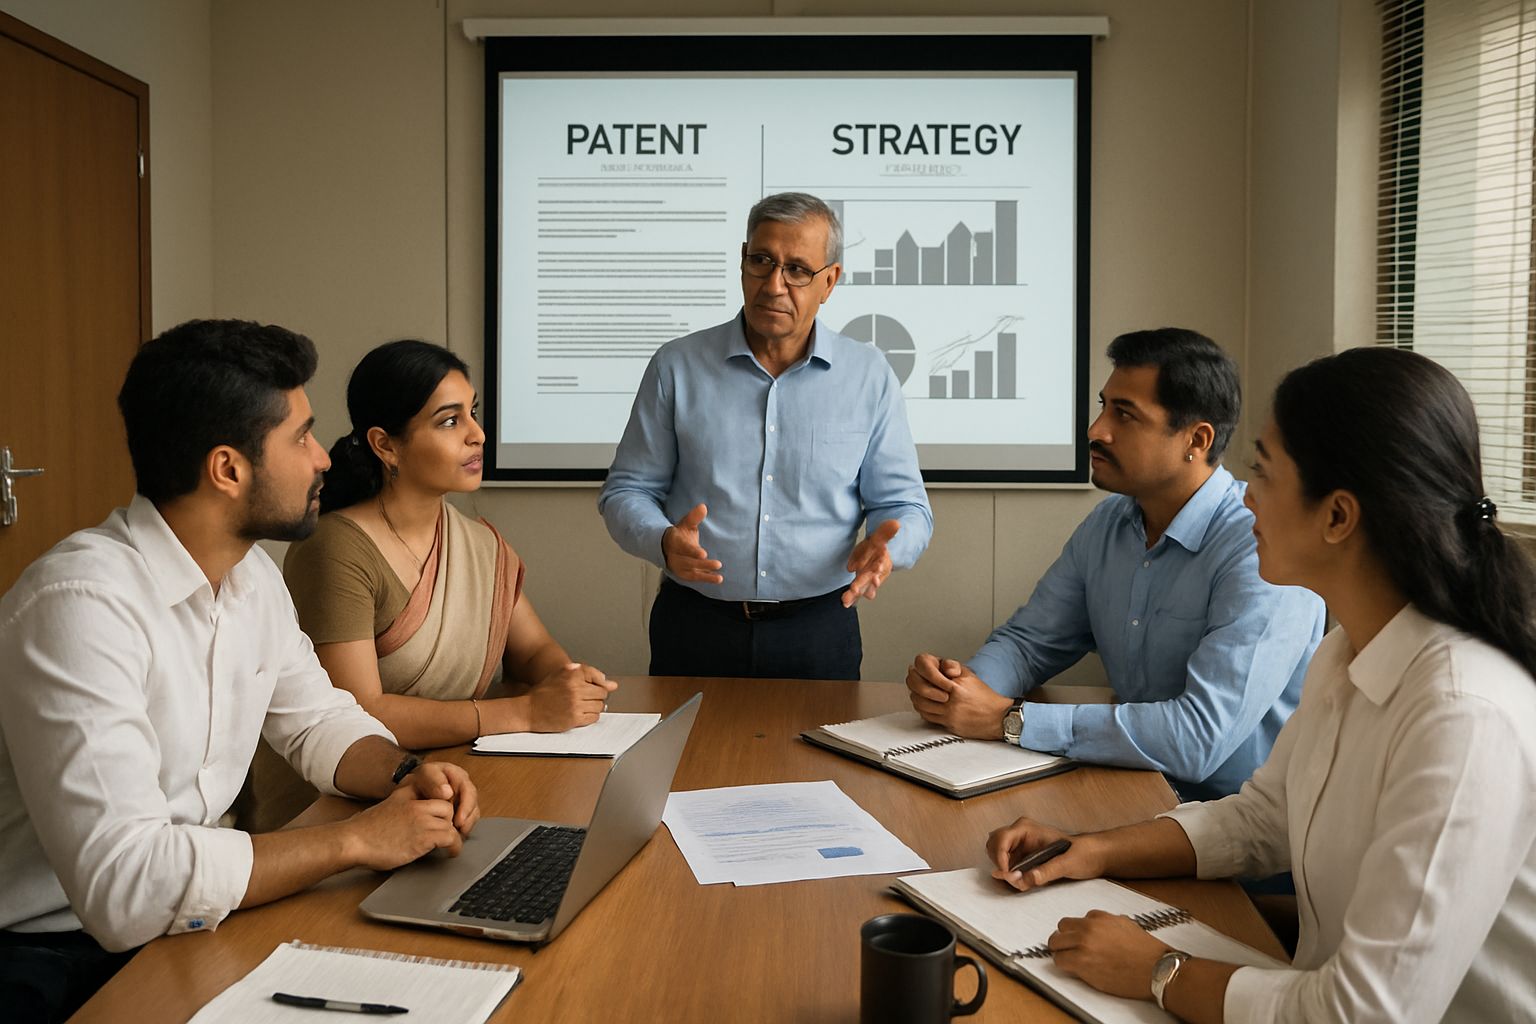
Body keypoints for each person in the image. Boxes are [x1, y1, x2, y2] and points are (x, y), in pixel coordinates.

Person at [985, 346, 1536, 1023]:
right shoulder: (1346, 653)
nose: (1244, 496)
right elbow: (1261, 820)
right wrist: (1091, 848)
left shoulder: (1462, 714)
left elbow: (1364, 1013)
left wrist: (1158, 970)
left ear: (1337, 517)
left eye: (1262, 473)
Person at [0, 320, 481, 1024]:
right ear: (228, 469)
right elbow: (124, 887)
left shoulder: (250, 572)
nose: (324, 458)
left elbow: (318, 717)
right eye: (302, 437)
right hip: (52, 960)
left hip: (194, 921)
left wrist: (404, 774)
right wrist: (356, 839)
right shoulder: (78, 606)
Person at [906, 329, 1324, 801]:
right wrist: (960, 690)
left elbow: (1197, 739)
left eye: (1124, 415)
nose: (1096, 430)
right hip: (1128, 792)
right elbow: (1029, 643)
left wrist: (1008, 720)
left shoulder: (1259, 547)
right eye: (1104, 406)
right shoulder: (1109, 523)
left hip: (1235, 834)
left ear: (1196, 439)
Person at [242, 340, 615, 829]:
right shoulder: (336, 548)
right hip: (332, 810)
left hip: (446, 784)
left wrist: (566, 681)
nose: (477, 435)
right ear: (386, 445)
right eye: (449, 421)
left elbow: (532, 649)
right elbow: (359, 712)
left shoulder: (479, 542)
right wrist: (524, 714)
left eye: (473, 414)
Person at [598, 192, 933, 681]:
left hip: (819, 629)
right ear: (742, 260)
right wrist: (663, 540)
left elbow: (907, 507)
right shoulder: (677, 366)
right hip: (695, 624)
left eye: (798, 269)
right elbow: (626, 492)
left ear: (830, 282)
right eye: (762, 261)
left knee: (819, 761)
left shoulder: (869, 376)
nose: (774, 285)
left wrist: (889, 550)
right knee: (687, 760)